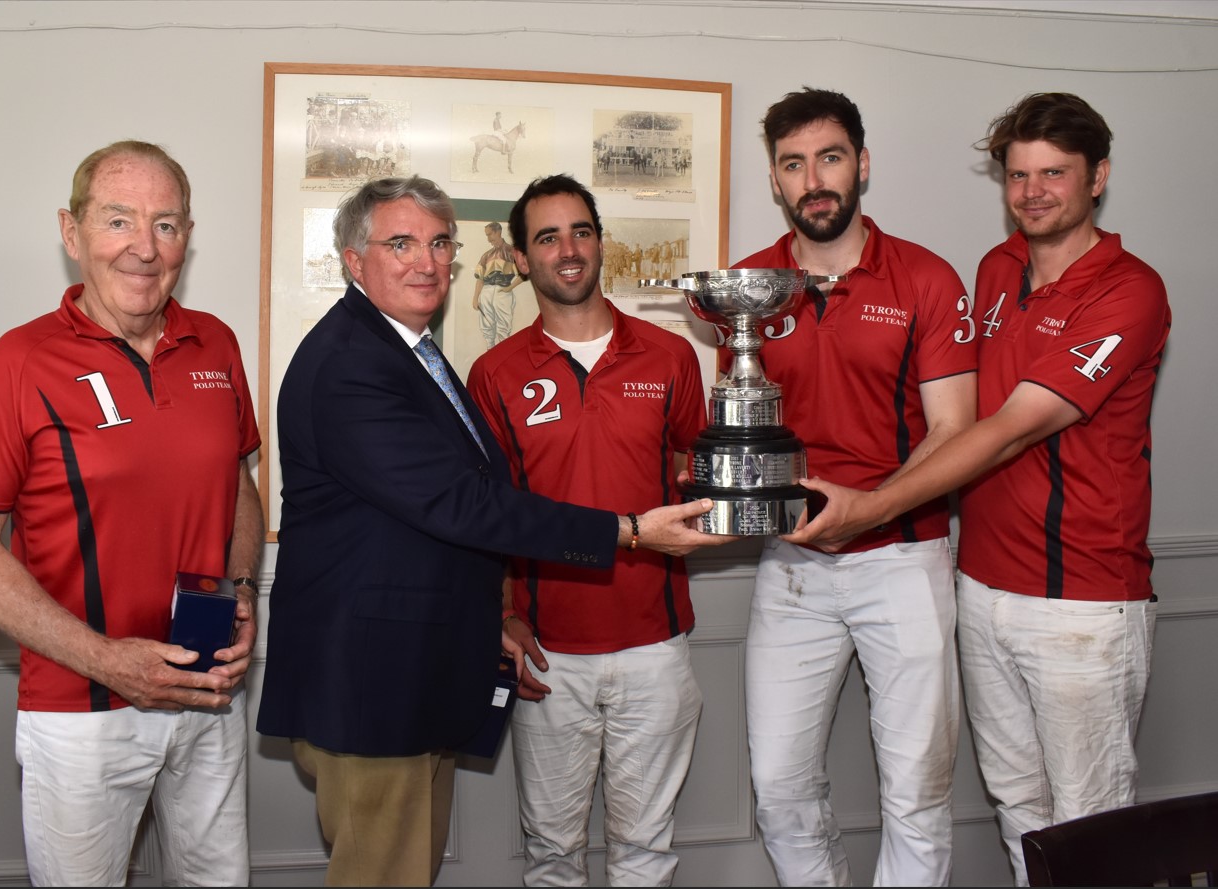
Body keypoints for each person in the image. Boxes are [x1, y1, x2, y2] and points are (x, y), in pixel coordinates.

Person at [255, 175, 729, 888]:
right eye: (401, 243)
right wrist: (626, 530)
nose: (427, 261)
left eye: (440, 243)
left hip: (420, 673)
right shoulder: (354, 364)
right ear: (354, 261)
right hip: (372, 682)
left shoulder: (410, 350)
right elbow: (467, 504)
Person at [785, 92, 1171, 884]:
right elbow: (954, 417)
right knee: (1021, 809)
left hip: (1084, 604)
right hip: (983, 588)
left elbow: (1014, 426)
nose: (1031, 191)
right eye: (1017, 174)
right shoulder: (995, 272)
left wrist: (871, 508)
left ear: (1098, 177)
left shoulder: (1130, 289)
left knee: (1091, 827)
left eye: (1053, 173)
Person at [0, 140, 264, 886]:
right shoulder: (16, 363)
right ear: (71, 231)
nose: (144, 249)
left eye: (167, 224)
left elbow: (238, 480)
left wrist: (240, 589)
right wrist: (107, 659)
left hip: (207, 691)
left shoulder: (217, 343)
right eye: (119, 221)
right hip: (80, 712)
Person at [732, 87, 978, 886]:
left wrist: (867, 510)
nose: (814, 180)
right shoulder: (748, 285)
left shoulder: (927, 277)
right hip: (794, 564)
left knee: (916, 792)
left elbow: (955, 430)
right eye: (794, 164)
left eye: (830, 157)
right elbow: (747, 428)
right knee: (778, 786)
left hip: (905, 559)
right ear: (776, 180)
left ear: (862, 164)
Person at [466, 174, 708, 886]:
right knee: (552, 855)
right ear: (520, 258)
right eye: (547, 237)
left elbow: (699, 473)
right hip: (549, 655)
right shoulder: (494, 373)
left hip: (655, 647)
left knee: (646, 849)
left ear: (601, 242)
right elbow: (488, 513)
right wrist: (503, 614)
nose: (567, 250)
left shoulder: (670, 356)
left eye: (580, 231)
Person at [472, 220, 522, 349]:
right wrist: (475, 298)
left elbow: (524, 274)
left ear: (498, 232)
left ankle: (503, 356)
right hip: (486, 291)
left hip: (502, 290)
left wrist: (509, 288)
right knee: (487, 325)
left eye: (490, 235)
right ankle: (490, 354)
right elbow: (480, 278)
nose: (488, 239)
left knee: (503, 327)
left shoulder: (512, 252)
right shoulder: (486, 255)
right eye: (487, 235)